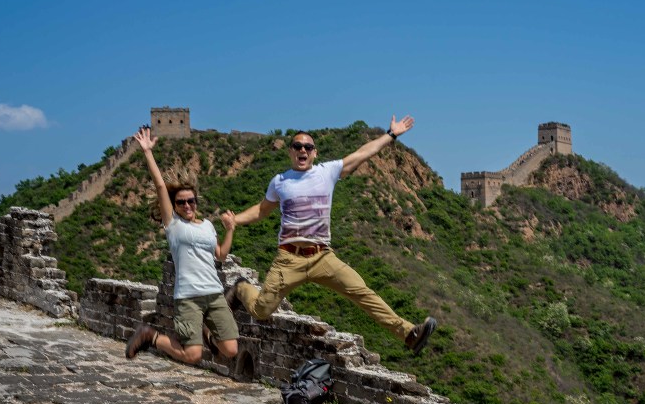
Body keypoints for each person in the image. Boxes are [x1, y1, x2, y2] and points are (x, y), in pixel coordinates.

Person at [225, 115, 436, 354]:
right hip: (288, 259)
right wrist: (235, 220)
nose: (302, 150)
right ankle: (241, 288)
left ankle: (409, 334)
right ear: (290, 152)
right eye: (297, 146)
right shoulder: (280, 181)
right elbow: (262, 210)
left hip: (322, 256)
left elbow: (363, 153)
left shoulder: (327, 172)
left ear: (314, 153)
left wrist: (391, 134)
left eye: (308, 147)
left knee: (362, 291)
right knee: (261, 310)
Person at [125, 125, 239, 363]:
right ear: (174, 205)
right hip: (188, 297)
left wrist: (229, 230)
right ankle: (150, 336)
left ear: (197, 201)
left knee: (231, 351)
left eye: (191, 201)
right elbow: (159, 186)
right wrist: (147, 152)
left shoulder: (207, 225)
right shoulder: (174, 225)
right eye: (181, 202)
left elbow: (220, 255)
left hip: (214, 294)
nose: (187, 206)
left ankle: (207, 333)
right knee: (192, 355)